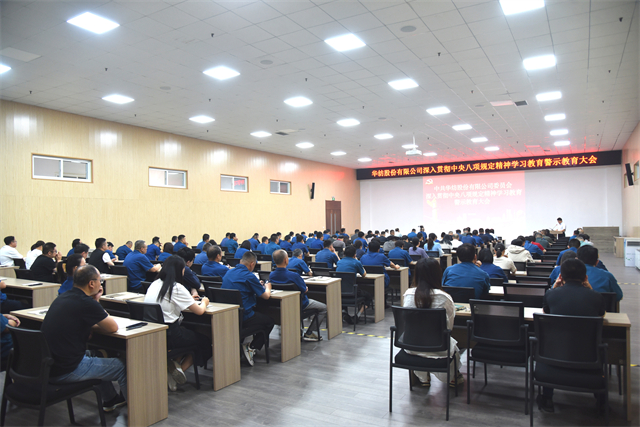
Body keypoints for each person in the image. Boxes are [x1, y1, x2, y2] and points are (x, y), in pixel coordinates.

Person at [41, 265, 127, 412]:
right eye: (100, 281)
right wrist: (96, 301)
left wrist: (95, 300)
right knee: (122, 367)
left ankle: (111, 399)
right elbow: (112, 327)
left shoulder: (64, 297)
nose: (101, 284)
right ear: (91, 283)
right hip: (67, 369)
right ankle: (135, 413)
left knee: (99, 354)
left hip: (50, 365)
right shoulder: (86, 302)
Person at [537, 258, 606, 413]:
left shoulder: (551, 294)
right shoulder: (596, 297)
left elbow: (546, 311)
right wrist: (590, 289)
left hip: (554, 354)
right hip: (589, 356)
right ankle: (601, 400)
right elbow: (601, 314)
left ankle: (547, 398)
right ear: (585, 277)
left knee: (549, 343)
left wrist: (554, 287)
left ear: (561, 276)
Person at [144, 255, 211, 390]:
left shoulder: (155, 284)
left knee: (189, 333)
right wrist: (204, 302)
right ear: (179, 270)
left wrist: (188, 299)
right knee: (204, 342)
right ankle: (176, 372)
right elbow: (199, 311)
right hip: (172, 335)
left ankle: (174, 364)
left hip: (154, 333)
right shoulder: (176, 287)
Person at [402, 258, 464, 387]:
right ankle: (452, 378)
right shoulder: (444, 297)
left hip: (411, 346)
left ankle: (423, 378)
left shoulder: (408, 294)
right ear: (438, 274)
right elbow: (449, 327)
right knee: (454, 345)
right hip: (439, 348)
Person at [221, 251, 274, 366]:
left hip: (227, 314)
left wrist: (256, 284)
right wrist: (268, 287)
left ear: (241, 261)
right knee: (269, 322)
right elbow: (266, 296)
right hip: (244, 316)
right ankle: (251, 348)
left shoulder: (229, 272)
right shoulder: (249, 276)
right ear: (252, 264)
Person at [269, 250, 326, 341]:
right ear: (286, 260)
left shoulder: (271, 275)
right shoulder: (294, 275)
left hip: (282, 305)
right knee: (324, 308)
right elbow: (304, 289)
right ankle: (310, 332)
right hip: (301, 304)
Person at [336, 245, 370, 322]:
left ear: (344, 254)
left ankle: (344, 312)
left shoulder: (339, 262)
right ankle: (358, 315)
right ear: (355, 254)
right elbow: (364, 275)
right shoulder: (356, 262)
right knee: (368, 296)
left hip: (340, 291)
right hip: (353, 291)